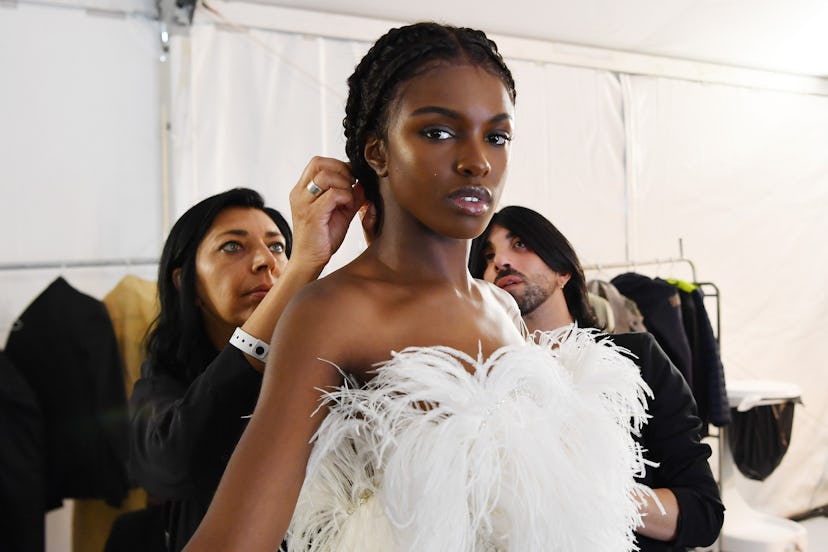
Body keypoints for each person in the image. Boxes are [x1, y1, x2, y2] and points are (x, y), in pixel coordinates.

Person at [185, 22, 653, 551]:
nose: (477, 162)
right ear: (377, 151)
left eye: (496, 136)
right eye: (438, 132)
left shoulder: (500, 305)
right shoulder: (334, 312)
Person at [469, 205, 725, 551]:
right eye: (487, 256)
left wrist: (588, 490)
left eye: (519, 244)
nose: (500, 261)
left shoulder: (637, 360)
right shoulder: (479, 381)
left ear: (563, 270)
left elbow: (702, 513)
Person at [128, 181, 366, 551]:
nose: (265, 262)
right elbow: (174, 462)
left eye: (277, 247)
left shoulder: (330, 365)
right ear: (185, 282)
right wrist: (301, 265)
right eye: (232, 247)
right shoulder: (163, 384)